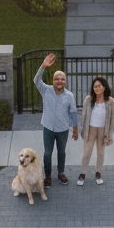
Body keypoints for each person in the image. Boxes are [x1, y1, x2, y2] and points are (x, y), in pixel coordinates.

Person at [34, 52, 78, 187]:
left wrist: (75, 130)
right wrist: (43, 66)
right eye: (57, 79)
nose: (60, 81)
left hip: (63, 130)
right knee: (47, 154)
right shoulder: (46, 90)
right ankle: (47, 176)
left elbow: (73, 113)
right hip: (48, 128)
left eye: (62, 79)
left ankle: (61, 173)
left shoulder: (70, 96)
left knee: (62, 152)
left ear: (65, 81)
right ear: (53, 80)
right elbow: (36, 80)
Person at [76, 76, 114, 186]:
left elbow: (113, 119)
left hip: (103, 130)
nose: (97, 88)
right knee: (87, 152)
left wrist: (110, 134)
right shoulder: (88, 99)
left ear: (104, 87)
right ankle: (82, 174)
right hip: (90, 129)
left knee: (100, 153)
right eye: (95, 86)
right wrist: (83, 130)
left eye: (99, 86)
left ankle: (98, 173)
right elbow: (83, 116)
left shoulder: (111, 101)